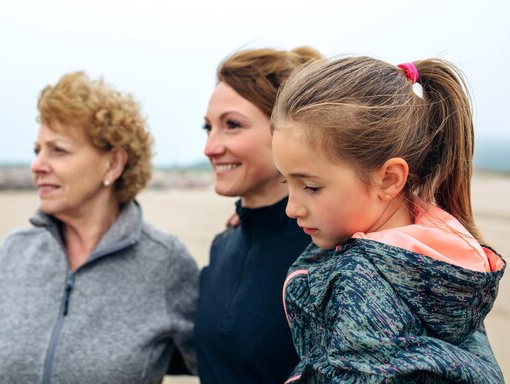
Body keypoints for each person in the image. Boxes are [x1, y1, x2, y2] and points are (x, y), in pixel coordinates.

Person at [272, 56, 506, 383]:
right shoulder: (447, 261)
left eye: (311, 186)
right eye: (286, 182)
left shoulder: (358, 282)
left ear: (389, 179)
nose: (291, 208)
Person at [0, 71, 199, 383]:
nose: (37, 165)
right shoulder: (12, 252)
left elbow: (225, 366)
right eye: (37, 150)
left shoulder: (165, 262)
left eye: (58, 150)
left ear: (113, 163)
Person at [194, 46, 320, 383]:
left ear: (287, 130)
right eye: (208, 127)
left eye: (232, 125)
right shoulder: (223, 246)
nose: (210, 147)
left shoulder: (328, 252)